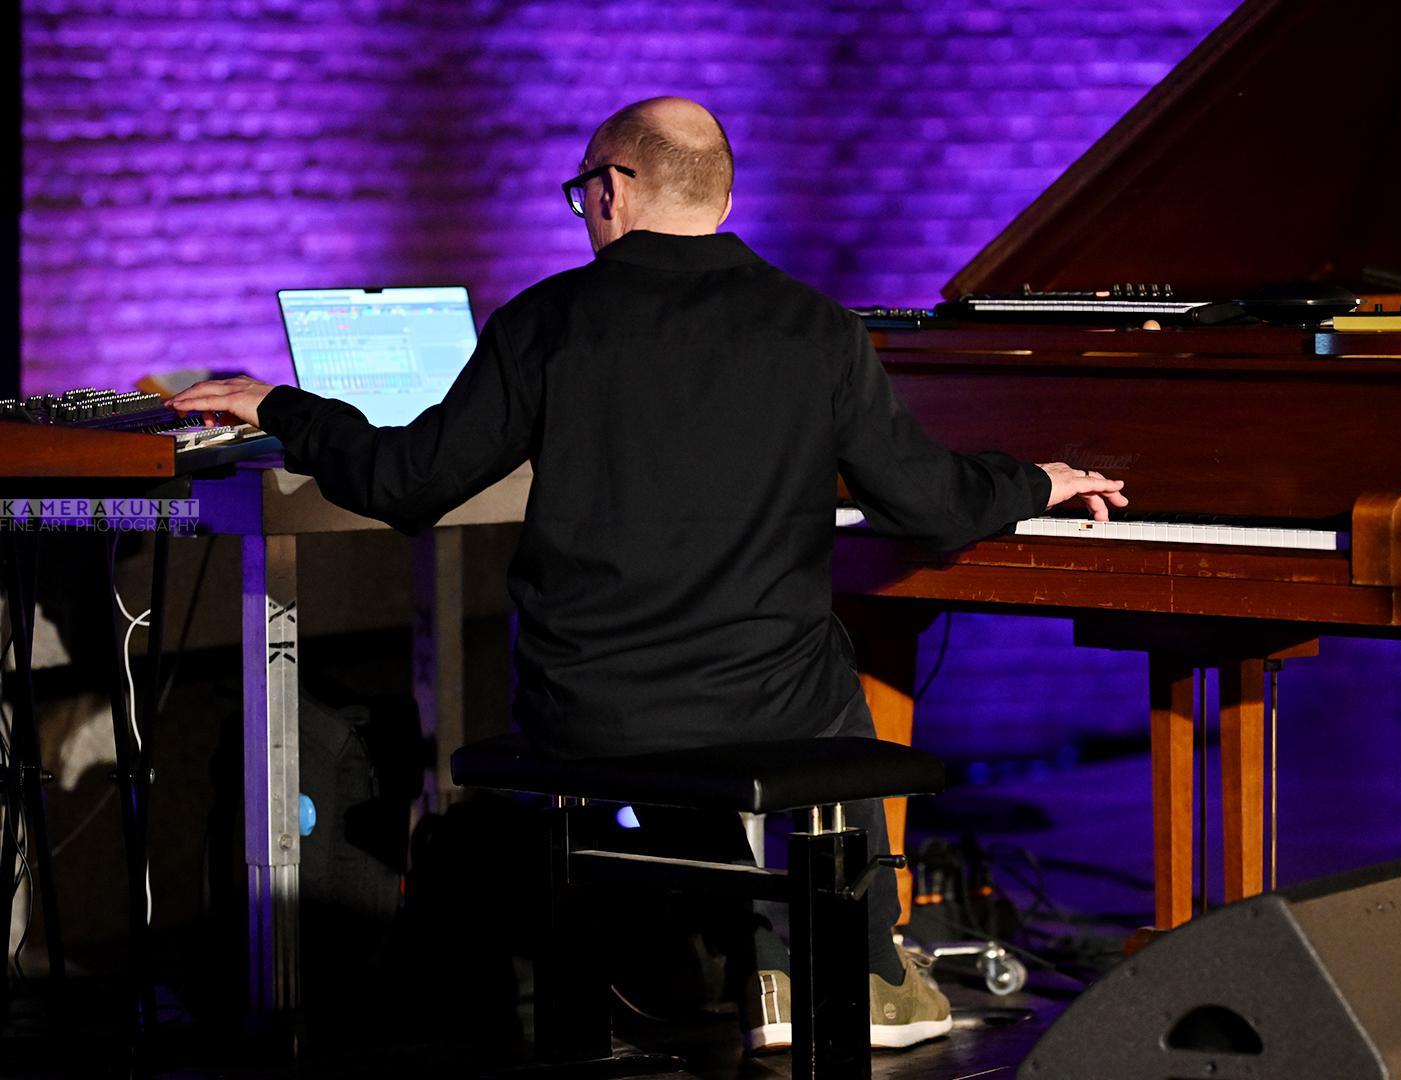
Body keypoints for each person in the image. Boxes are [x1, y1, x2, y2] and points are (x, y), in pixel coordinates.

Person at [167, 96, 1127, 1052]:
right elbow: (928, 504)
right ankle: (849, 970)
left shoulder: (548, 321)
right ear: (721, 199)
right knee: (824, 681)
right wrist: (1034, 480)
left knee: (715, 702)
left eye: (582, 193)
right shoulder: (817, 328)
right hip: (766, 706)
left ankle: (762, 961)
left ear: (614, 188)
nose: (584, 211)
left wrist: (282, 406)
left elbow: (404, 482)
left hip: (587, 709)